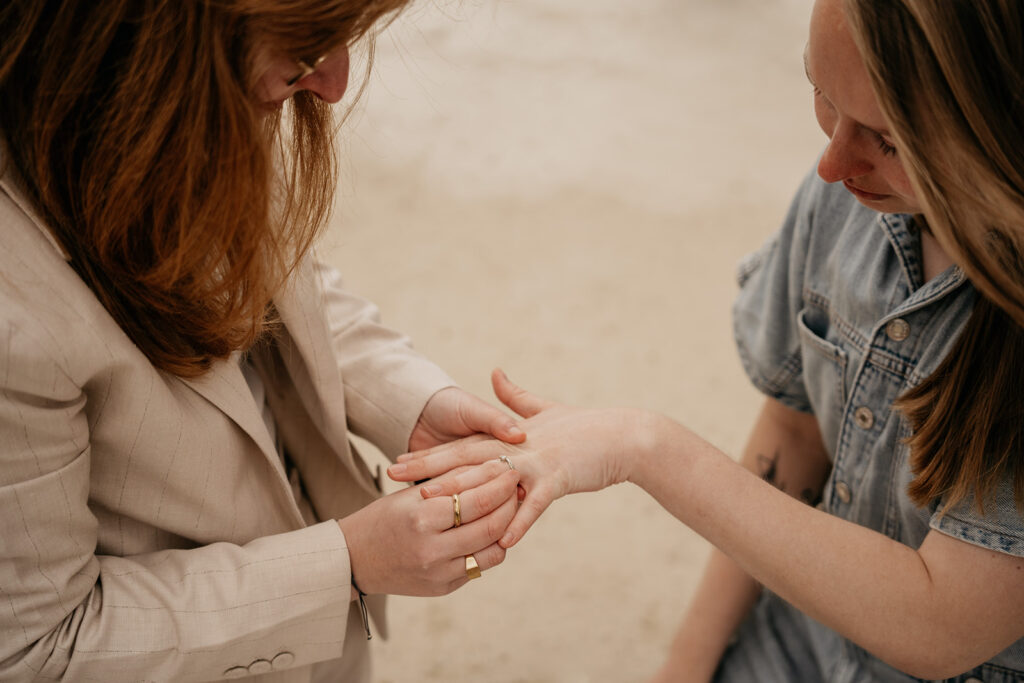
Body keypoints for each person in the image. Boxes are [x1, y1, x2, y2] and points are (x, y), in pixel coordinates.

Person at [389, 0, 1024, 679]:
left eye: (888, 140)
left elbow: (940, 624)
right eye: (821, 94)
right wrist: (686, 663)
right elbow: (795, 432)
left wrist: (645, 447)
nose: (832, 165)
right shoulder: (849, 197)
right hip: (799, 635)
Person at [0, 2, 525, 681]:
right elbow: (37, 646)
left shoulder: (201, 94)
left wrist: (410, 401)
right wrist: (346, 563)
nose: (332, 83)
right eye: (307, 50)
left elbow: (282, 278)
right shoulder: (15, 309)